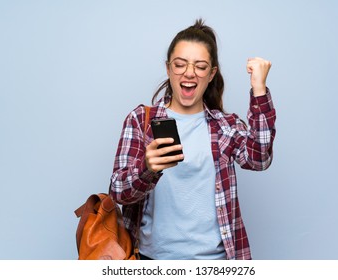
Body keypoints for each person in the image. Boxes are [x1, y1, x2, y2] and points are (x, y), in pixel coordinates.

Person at [109, 19, 276, 260]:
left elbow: (260, 159)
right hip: (152, 260)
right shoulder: (141, 121)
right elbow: (117, 192)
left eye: (200, 66)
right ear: (168, 69)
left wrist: (259, 89)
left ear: (211, 74)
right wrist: (146, 169)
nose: (189, 72)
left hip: (215, 262)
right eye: (180, 64)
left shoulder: (225, 127)